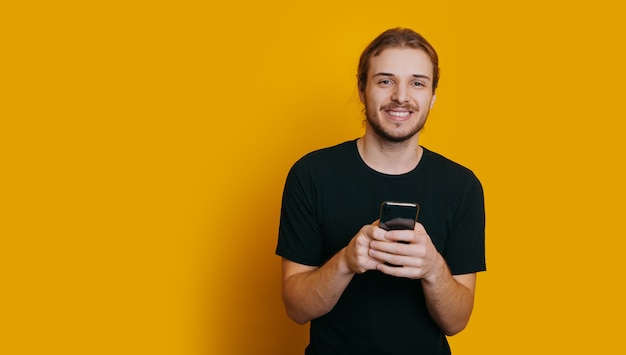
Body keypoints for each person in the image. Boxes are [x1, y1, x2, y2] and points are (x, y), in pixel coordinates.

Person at [275, 27, 486, 354]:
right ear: (362, 89)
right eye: (385, 81)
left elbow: (456, 322)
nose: (401, 96)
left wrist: (432, 268)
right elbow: (296, 309)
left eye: (417, 82)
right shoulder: (311, 175)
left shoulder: (462, 187)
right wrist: (346, 261)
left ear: (432, 96)